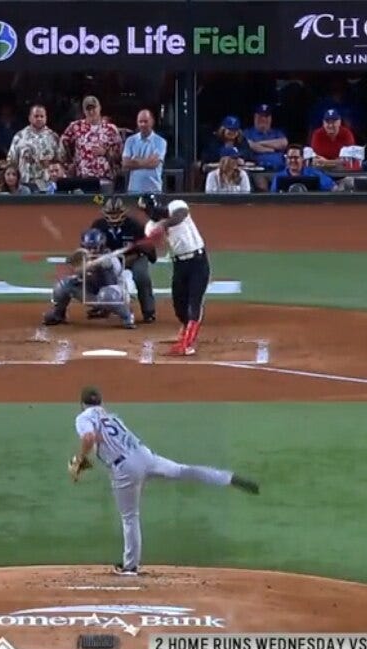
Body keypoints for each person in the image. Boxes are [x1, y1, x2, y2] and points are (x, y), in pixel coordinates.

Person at [69, 385, 259, 575]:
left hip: (125, 468)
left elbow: (88, 437)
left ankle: (130, 566)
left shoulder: (83, 417)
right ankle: (227, 478)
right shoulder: (111, 417)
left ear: (82, 405)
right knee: (182, 470)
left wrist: (80, 459)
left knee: (130, 517)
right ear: (101, 402)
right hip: (146, 456)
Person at [136, 193, 210, 356]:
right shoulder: (150, 226)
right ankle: (186, 330)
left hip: (198, 261)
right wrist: (147, 242)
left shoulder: (177, 205)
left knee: (194, 302)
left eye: (150, 209)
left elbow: (180, 216)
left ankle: (187, 344)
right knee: (179, 305)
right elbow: (157, 244)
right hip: (179, 264)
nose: (150, 214)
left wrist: (163, 225)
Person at [42, 229, 136, 329]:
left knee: (107, 295)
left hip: (117, 293)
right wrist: (78, 269)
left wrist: (93, 267)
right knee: (64, 285)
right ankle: (58, 315)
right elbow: (73, 270)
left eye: (95, 247)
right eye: (88, 247)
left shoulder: (108, 260)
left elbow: (109, 283)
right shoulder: (82, 257)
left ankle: (127, 315)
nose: (91, 250)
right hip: (93, 292)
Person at [89, 195, 157, 322]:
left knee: (141, 276)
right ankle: (103, 305)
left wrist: (142, 252)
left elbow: (148, 249)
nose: (114, 216)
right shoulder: (98, 226)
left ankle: (148, 311)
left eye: (117, 213)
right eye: (111, 213)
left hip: (133, 257)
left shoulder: (135, 226)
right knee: (96, 273)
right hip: (110, 259)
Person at [59, 95, 123, 181]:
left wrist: (106, 152)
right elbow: (63, 142)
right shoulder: (76, 126)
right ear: (84, 111)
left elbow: (120, 155)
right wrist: (69, 163)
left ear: (99, 108)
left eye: (94, 108)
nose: (91, 112)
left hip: (105, 177)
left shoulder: (111, 129)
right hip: (83, 177)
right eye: (88, 109)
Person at [7, 104, 61, 191]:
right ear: (30, 118)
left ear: (46, 118)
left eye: (41, 116)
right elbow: (12, 161)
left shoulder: (53, 137)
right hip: (24, 183)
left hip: (47, 184)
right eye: (36, 116)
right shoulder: (20, 136)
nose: (39, 119)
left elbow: (60, 161)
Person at [121, 109, 167, 193]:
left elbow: (154, 164)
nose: (142, 124)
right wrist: (147, 161)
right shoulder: (130, 140)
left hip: (154, 189)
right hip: (134, 189)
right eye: (140, 121)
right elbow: (125, 164)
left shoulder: (161, 141)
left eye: (146, 121)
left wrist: (136, 161)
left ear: (152, 122)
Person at [270, 145, 335, 192]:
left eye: (296, 157)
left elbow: (333, 188)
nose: (293, 160)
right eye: (290, 157)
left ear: (302, 158)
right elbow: (273, 197)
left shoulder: (315, 174)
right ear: (286, 159)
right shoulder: (278, 177)